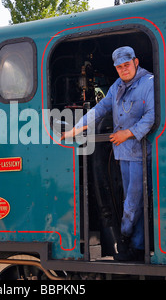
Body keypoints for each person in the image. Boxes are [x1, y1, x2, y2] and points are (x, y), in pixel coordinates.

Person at [61, 46, 155, 261]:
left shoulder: (149, 83)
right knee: (132, 202)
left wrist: (128, 133)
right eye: (119, 67)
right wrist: (76, 130)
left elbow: (151, 116)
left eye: (127, 65)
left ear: (136, 62)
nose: (124, 69)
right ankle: (138, 246)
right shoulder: (117, 86)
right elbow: (100, 109)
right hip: (123, 153)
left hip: (142, 151)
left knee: (134, 202)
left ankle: (123, 237)